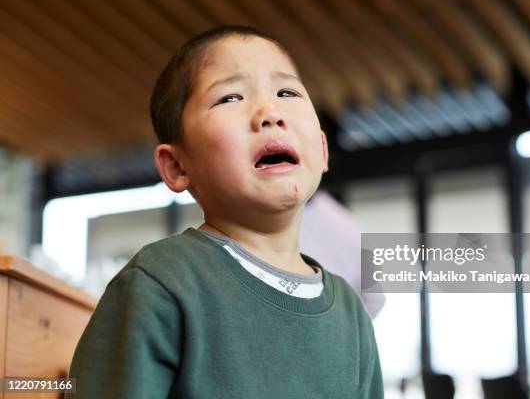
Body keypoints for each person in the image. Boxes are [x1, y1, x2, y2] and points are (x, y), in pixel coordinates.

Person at [67, 25, 383, 398]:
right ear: (177, 167)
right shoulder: (161, 282)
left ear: (323, 150)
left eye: (287, 92)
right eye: (231, 97)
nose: (270, 112)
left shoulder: (351, 314)